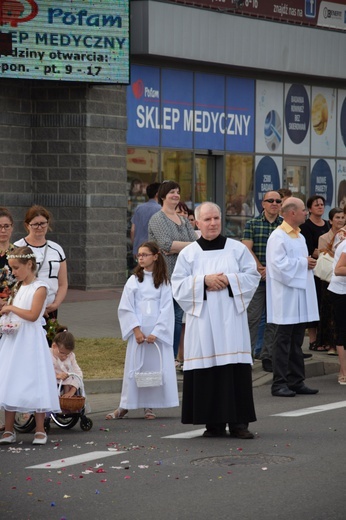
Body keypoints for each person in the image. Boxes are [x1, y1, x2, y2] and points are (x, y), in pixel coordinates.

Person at [171, 202, 260, 439]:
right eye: (207, 220)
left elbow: (252, 275)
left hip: (231, 320)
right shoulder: (189, 253)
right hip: (203, 323)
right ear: (197, 223)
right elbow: (177, 286)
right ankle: (213, 424)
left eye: (216, 219)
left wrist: (229, 280)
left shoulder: (237, 249)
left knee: (234, 370)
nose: (212, 223)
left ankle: (239, 424)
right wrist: (203, 281)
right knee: (207, 369)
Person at [105, 241, 178, 420]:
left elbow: (167, 309)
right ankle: (125, 405)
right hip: (139, 332)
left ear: (155, 256)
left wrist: (158, 332)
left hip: (156, 333)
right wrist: (136, 330)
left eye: (145, 254)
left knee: (154, 369)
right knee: (135, 368)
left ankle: (149, 406)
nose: (141, 258)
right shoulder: (133, 280)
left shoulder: (163, 282)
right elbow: (126, 307)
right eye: (139, 255)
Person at [0, 247, 60, 445]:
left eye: (16, 268)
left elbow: (33, 315)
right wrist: (6, 314)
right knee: (11, 377)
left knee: (35, 378)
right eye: (11, 268)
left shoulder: (40, 288)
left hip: (30, 340)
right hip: (14, 339)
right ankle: (9, 430)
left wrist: (10, 307)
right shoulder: (17, 287)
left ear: (29, 265)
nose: (13, 272)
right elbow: (15, 313)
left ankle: (40, 428)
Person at [266, 197, 319, 397]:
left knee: (296, 340)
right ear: (292, 213)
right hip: (285, 296)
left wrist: (307, 263)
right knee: (282, 341)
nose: (306, 212)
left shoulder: (299, 236)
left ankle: (296, 380)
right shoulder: (278, 237)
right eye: (303, 210)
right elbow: (277, 266)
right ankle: (279, 383)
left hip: (299, 295)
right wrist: (303, 263)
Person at [148, 181, 197, 363]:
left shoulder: (184, 220)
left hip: (185, 276)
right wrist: (187, 246)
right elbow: (166, 245)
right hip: (166, 275)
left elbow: (195, 244)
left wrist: (178, 247)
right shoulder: (157, 219)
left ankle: (177, 358)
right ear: (162, 196)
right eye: (171, 193)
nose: (175, 195)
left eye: (177, 192)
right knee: (172, 318)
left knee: (181, 318)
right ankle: (169, 358)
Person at [242, 191, 283, 372]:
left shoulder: (285, 226)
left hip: (278, 280)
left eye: (278, 201)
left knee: (274, 321)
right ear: (263, 204)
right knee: (252, 318)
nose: (274, 203)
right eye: (270, 200)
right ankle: (247, 356)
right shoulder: (252, 224)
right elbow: (246, 249)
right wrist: (261, 269)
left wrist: (272, 271)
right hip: (257, 279)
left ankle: (268, 356)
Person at [14, 205, 68, 320]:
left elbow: (63, 283)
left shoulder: (57, 249)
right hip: (26, 307)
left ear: (48, 224)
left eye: (43, 223)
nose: (39, 227)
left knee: (49, 338)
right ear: (27, 225)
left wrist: (56, 304)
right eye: (35, 224)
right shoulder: (17, 247)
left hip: (50, 308)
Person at [300, 195, 330, 351]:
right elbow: (310, 250)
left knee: (325, 305)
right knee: (313, 303)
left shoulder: (327, 224)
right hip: (312, 270)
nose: (320, 206)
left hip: (327, 270)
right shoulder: (305, 227)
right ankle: (312, 339)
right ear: (310, 208)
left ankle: (324, 338)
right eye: (316, 204)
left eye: (322, 204)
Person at [317, 208, 346, 355]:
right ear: (331, 220)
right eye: (337, 217)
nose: (340, 220)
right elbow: (339, 267)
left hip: (338, 282)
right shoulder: (341, 236)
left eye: (343, 217)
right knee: (332, 314)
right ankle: (331, 345)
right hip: (333, 280)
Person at [0, 207, 16, 432]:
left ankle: (7, 422)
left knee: (7, 368)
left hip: (12, 314)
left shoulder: (18, 252)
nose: (2, 230)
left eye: (6, 226)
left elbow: (24, 280)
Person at [328, 233, 346, 384]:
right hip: (341, 292)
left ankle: (343, 371)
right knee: (343, 332)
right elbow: (339, 270)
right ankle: (344, 374)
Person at [130, 182, 161, 258]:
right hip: (154, 249)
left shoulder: (139, 208)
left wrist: (135, 247)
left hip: (139, 248)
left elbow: (133, 230)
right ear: (157, 194)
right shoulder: (160, 209)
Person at [51, 327, 83, 398]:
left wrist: (72, 391)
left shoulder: (71, 356)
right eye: (62, 353)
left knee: (72, 380)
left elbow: (78, 373)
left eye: (67, 354)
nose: (65, 357)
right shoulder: (47, 355)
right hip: (51, 387)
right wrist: (56, 376)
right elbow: (41, 373)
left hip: (67, 387)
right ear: (54, 346)